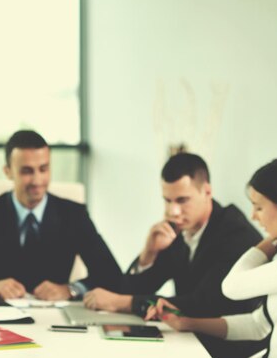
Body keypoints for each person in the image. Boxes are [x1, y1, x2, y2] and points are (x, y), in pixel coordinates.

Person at [151, 158, 277, 358]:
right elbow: (258, 325)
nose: (253, 216)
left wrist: (265, 245)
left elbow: (231, 287)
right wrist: (187, 323)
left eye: (259, 207)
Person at [83, 153, 265, 357]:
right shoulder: (179, 229)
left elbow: (203, 304)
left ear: (207, 191)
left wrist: (121, 302)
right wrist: (148, 254)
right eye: (167, 201)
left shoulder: (236, 234)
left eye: (182, 200)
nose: (173, 211)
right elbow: (130, 289)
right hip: (189, 339)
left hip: (230, 349)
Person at [0, 130, 121, 302]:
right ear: (8, 171)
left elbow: (111, 275)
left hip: (55, 316)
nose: (37, 180)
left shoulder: (73, 214)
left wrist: (71, 289)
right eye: (27, 171)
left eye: (43, 169)